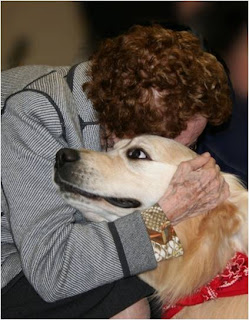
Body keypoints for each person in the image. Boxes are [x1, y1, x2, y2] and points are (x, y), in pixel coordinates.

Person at [2, 25, 230, 319]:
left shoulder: (126, 117)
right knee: (127, 303)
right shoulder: (33, 114)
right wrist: (166, 217)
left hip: (62, 249)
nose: (183, 163)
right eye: (172, 148)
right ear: (124, 126)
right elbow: (54, 270)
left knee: (199, 286)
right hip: (18, 264)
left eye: (192, 144)